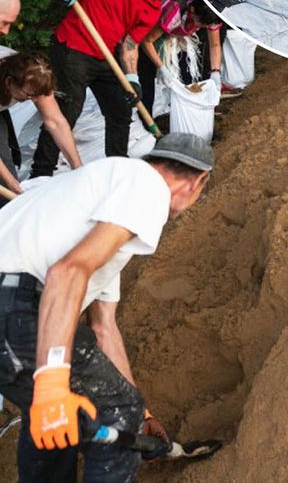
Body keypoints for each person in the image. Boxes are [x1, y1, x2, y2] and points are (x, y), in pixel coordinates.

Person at [0, 132, 213, 482]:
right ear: (197, 181)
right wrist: (54, 380)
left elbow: (104, 328)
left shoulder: (97, 206)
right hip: (16, 305)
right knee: (112, 411)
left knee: (57, 421)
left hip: (12, 311)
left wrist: (142, 414)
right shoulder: (146, 185)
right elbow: (66, 272)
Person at [30, 0, 185, 179]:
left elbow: (131, 44)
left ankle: (117, 167)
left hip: (104, 56)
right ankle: (40, 174)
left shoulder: (154, 9)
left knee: (121, 109)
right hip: (73, 47)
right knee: (68, 110)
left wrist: (132, 78)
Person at [0, 53, 84, 197]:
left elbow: (56, 123)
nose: (33, 100)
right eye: (28, 95)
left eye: (37, 95)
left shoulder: (36, 81)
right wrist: (10, 182)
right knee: (6, 183)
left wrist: (79, 169)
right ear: (9, 82)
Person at [138, 0, 226, 114]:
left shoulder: (211, 14)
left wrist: (216, 72)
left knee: (188, 81)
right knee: (147, 84)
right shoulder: (175, 12)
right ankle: (147, 123)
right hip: (149, 36)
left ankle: (189, 115)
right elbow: (147, 41)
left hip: (178, 37)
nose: (201, 27)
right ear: (192, 10)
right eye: (199, 23)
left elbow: (215, 45)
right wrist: (162, 68)